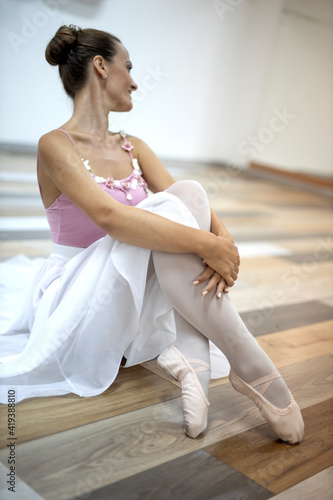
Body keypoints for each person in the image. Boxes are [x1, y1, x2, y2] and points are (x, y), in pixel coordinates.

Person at [0, 25, 304, 443]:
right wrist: (207, 245)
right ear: (101, 67)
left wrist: (224, 243)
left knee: (188, 194)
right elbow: (111, 217)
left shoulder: (134, 146)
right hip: (74, 293)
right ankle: (246, 361)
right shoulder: (55, 144)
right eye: (129, 67)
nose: (136, 80)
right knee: (167, 211)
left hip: (136, 292)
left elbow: (195, 206)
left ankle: (195, 353)